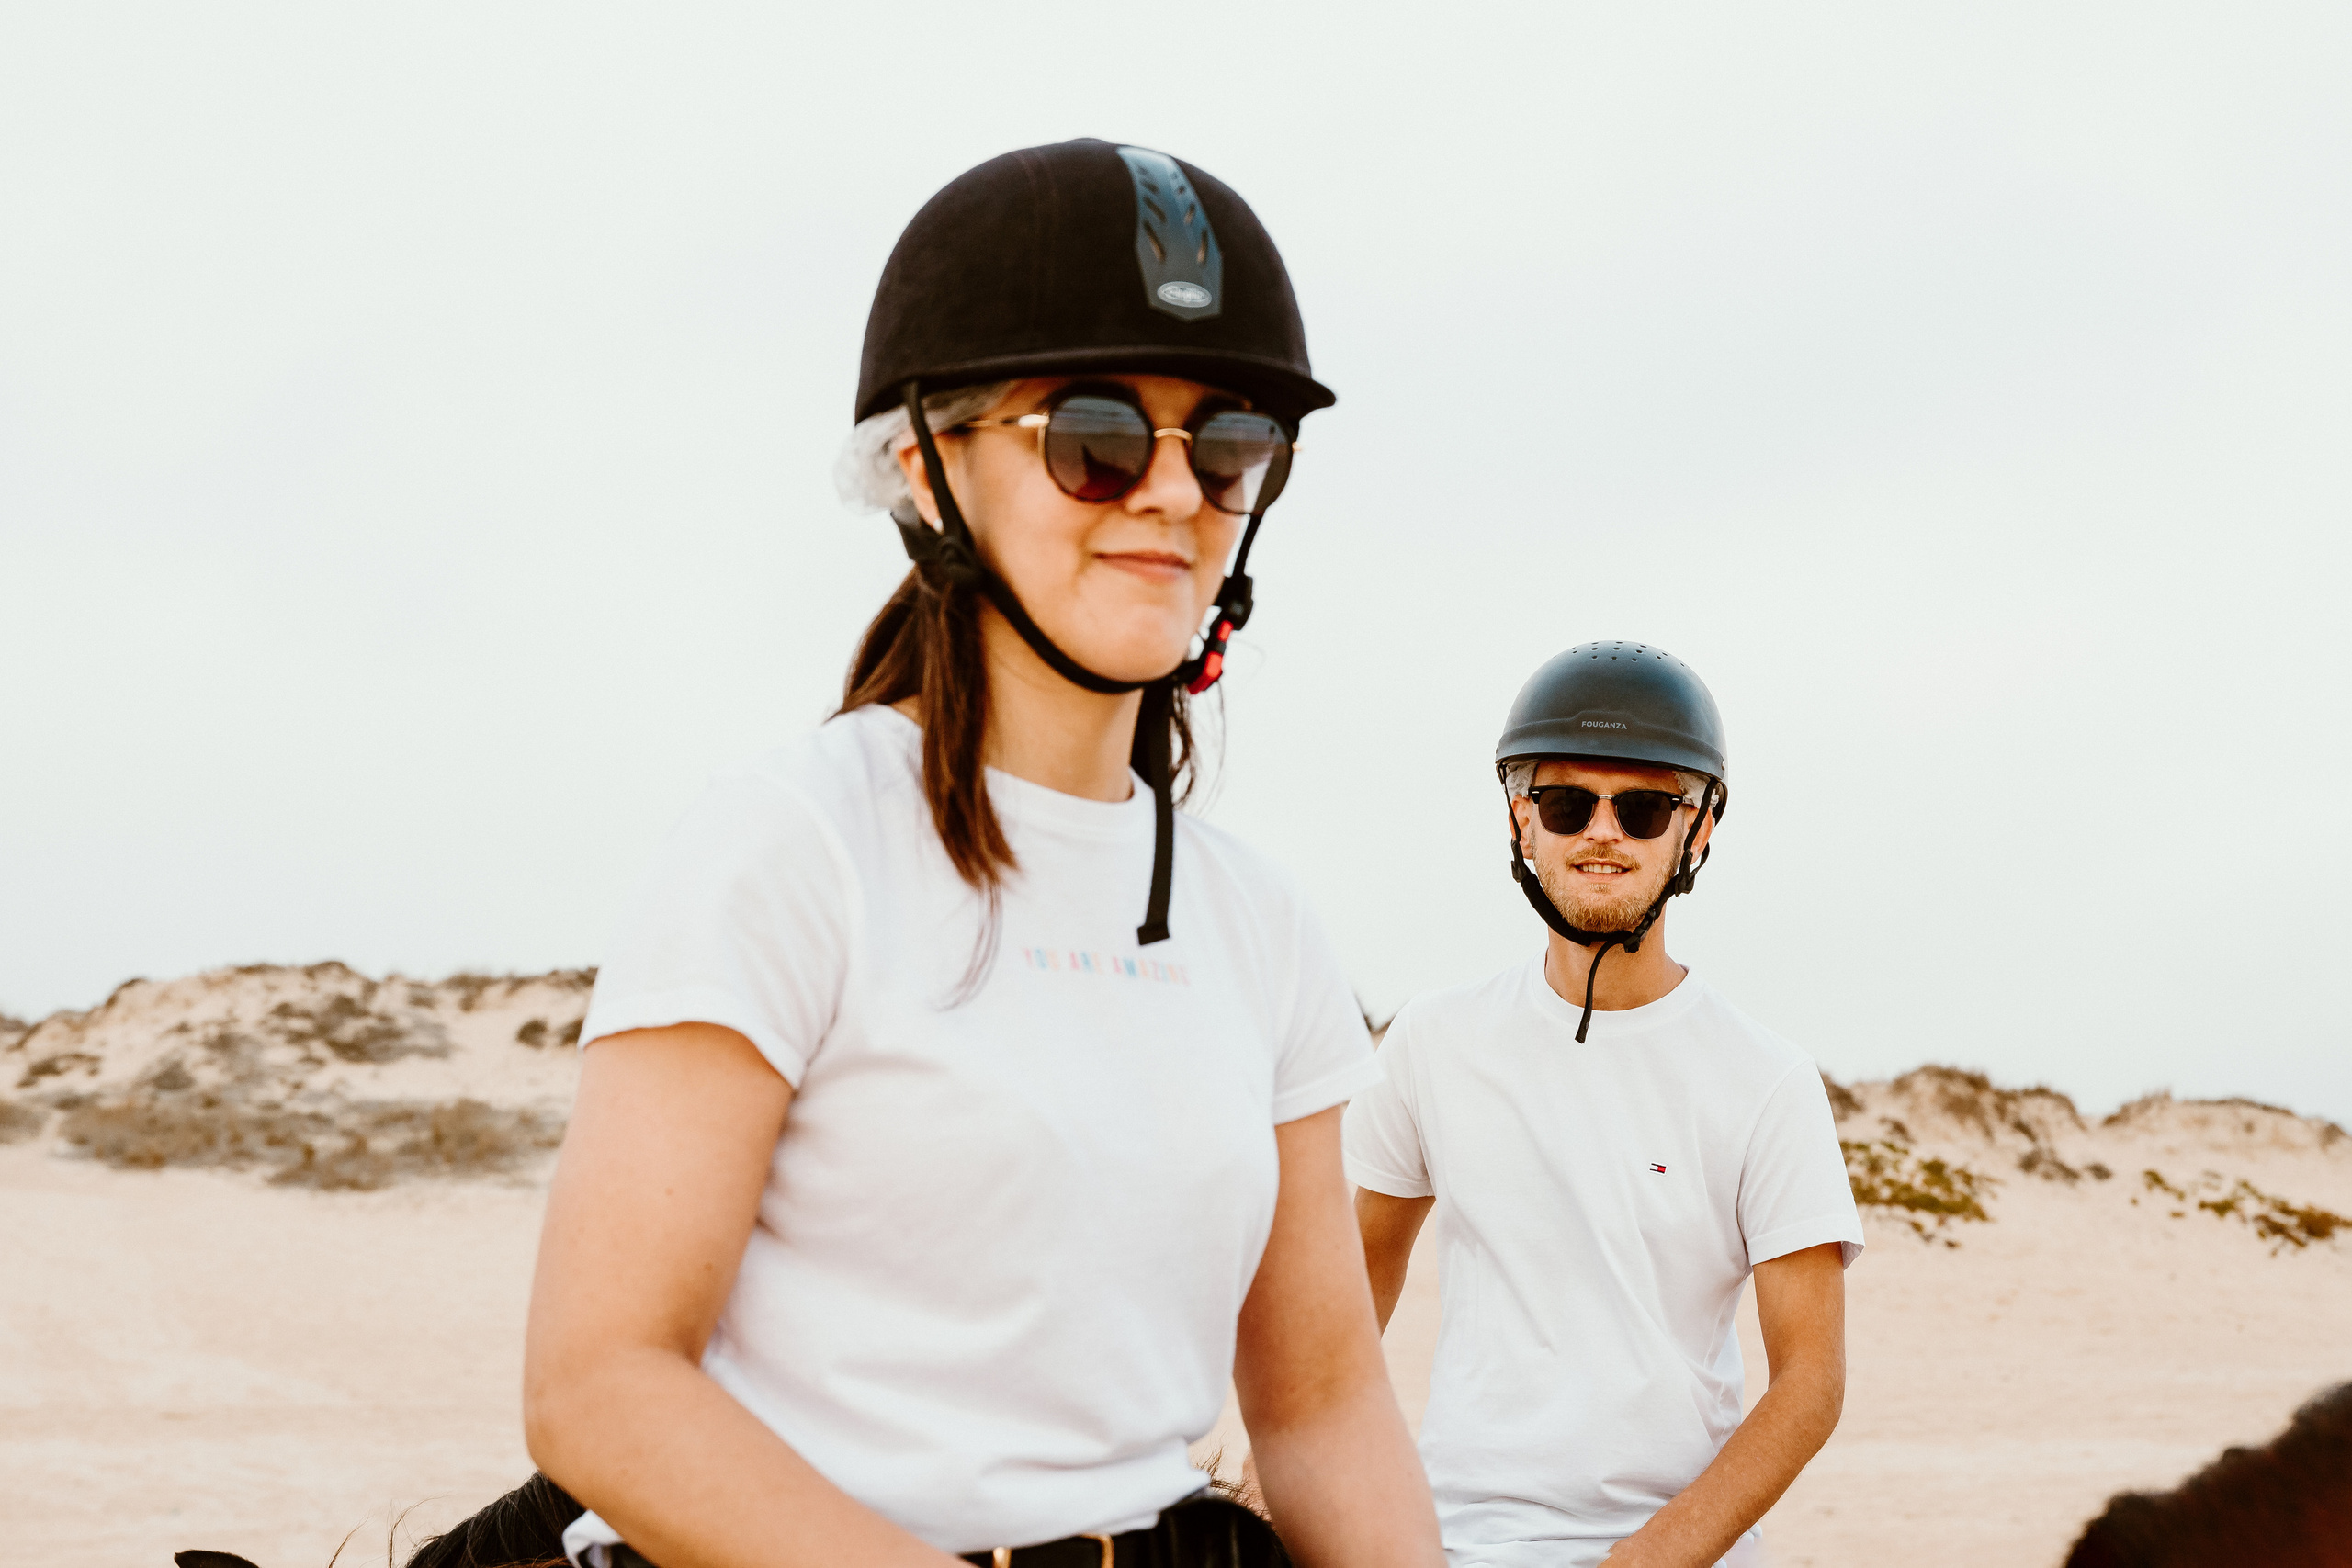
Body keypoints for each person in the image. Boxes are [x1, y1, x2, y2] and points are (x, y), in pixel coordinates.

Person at [469, 140, 1442, 1568]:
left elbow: (1321, 1403)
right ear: (925, 469)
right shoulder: (793, 846)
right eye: (1097, 438)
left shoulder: (1262, 921)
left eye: (1228, 445)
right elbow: (601, 1385)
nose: (1173, 495)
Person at [1342, 644, 1862, 1568]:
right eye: (1566, 802)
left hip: (1686, 1553)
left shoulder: (1766, 1079)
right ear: (1521, 819)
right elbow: (1346, 1300)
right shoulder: (1430, 1041)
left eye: (1645, 807)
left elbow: (1810, 1383)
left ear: (1696, 831)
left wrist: (1654, 1556)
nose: (1602, 832)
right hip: (1455, 1544)